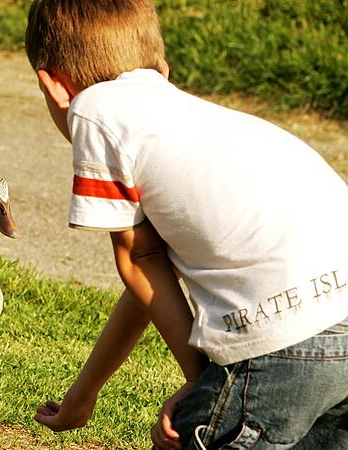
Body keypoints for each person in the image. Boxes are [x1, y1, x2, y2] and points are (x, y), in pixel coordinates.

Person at [23, 1, 348, 448]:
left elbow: (139, 259)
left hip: (282, 341)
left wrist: (201, 381)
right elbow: (147, 283)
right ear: (162, 68)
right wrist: (82, 397)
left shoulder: (93, 109)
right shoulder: (195, 122)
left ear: (54, 85)